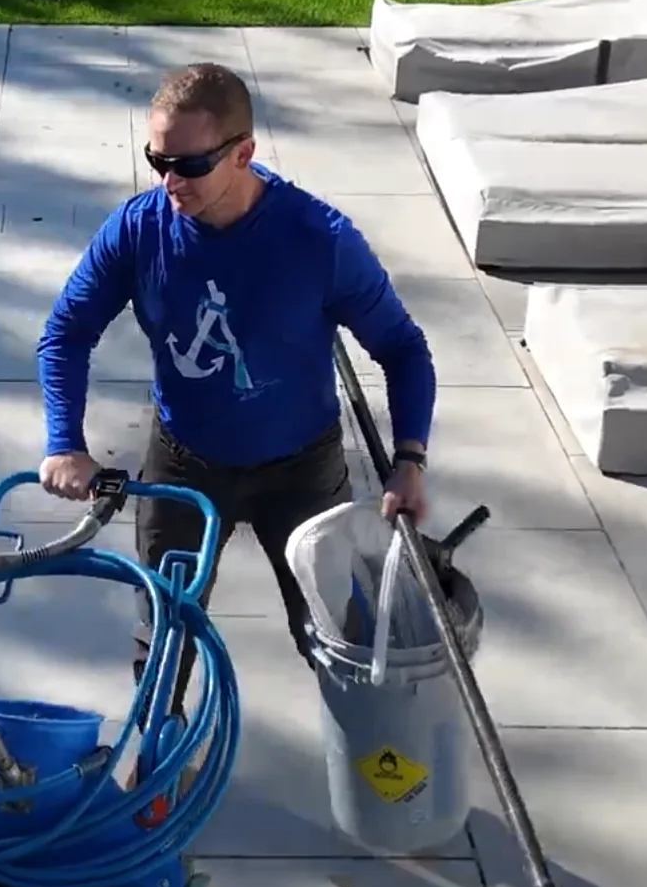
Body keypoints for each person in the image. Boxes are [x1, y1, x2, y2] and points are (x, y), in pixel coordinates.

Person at [35, 61, 437, 711]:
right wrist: (63, 442)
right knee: (164, 633)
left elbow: (402, 348)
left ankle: (374, 765)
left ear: (243, 152)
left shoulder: (318, 240)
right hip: (184, 464)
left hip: (302, 472)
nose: (171, 182)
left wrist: (409, 462)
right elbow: (65, 333)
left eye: (190, 166)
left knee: (341, 638)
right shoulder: (137, 231)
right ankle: (160, 762)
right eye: (156, 160)